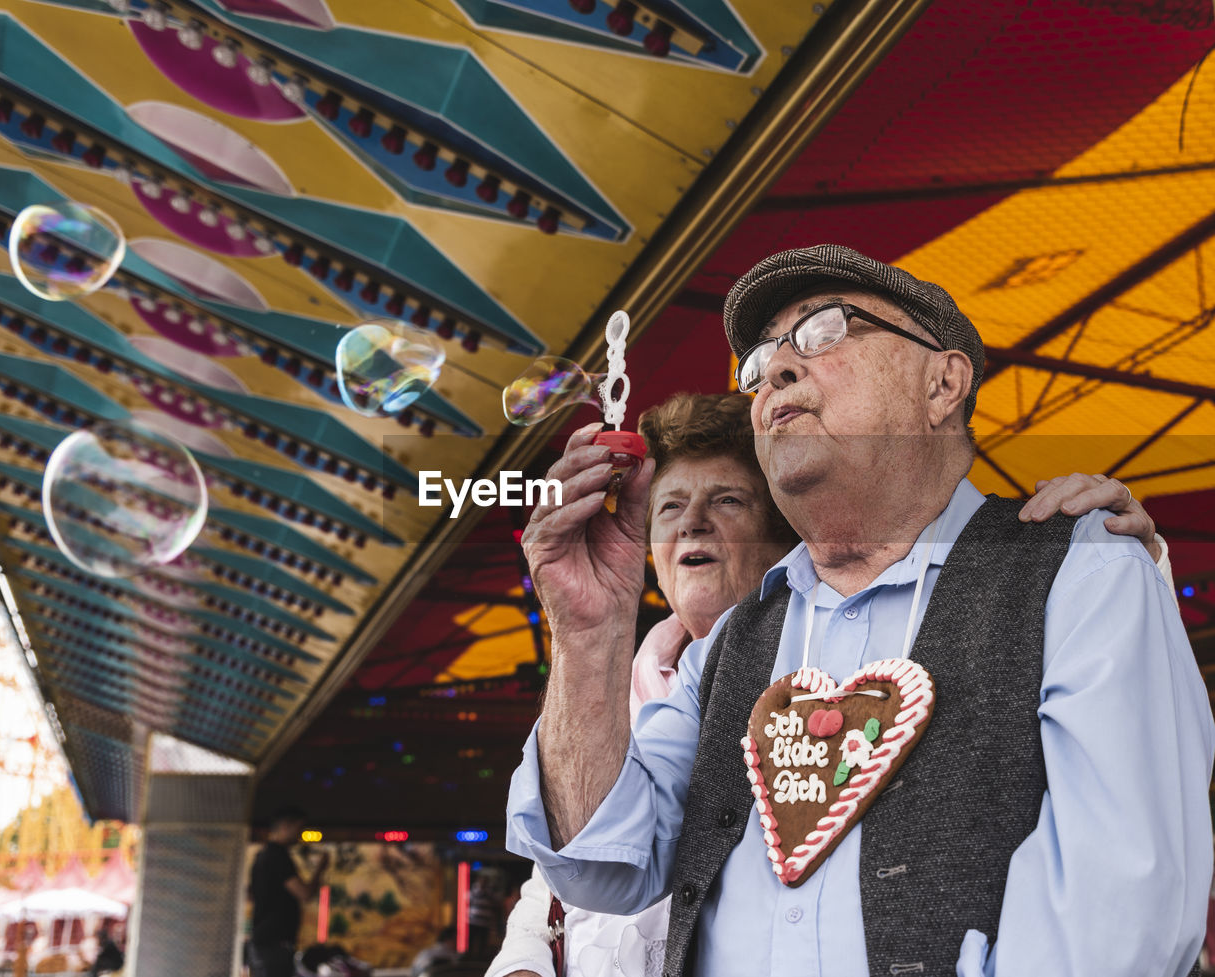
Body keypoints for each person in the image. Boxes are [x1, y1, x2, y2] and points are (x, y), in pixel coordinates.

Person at [502, 369, 1183, 977]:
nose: (695, 525)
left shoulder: (911, 617)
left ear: (782, 530)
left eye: (728, 502)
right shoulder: (612, 694)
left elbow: (1122, 850)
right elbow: (568, 879)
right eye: (671, 507)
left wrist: (1127, 566)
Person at [248, 806, 328, 977]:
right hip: (274, 941)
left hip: (265, 940)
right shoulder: (277, 856)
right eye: (299, 828)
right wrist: (320, 869)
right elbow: (304, 893)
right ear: (286, 826)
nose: (299, 834)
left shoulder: (262, 856)